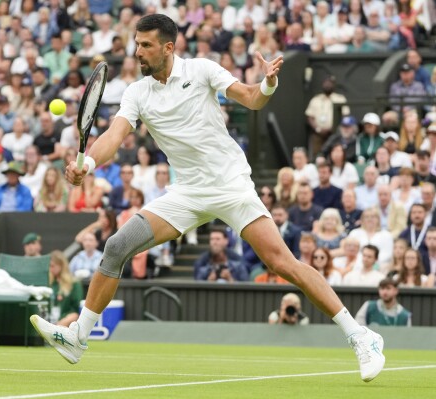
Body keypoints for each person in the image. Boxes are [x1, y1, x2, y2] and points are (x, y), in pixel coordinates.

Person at [31, 15, 385, 382]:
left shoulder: (201, 70)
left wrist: (268, 81)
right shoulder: (137, 92)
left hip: (230, 184)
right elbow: (113, 136)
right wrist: (87, 163)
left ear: (169, 47)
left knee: (282, 263)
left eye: (146, 45)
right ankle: (78, 337)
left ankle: (361, 335)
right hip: (186, 192)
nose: (138, 52)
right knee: (118, 245)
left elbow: (251, 98)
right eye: (137, 44)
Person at [49, 250, 83, 327]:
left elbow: (76, 307)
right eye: (49, 266)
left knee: (73, 316)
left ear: (61, 265)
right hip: (49, 317)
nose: (50, 269)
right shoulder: (49, 283)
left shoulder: (74, 283)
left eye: (52, 266)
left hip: (66, 318)